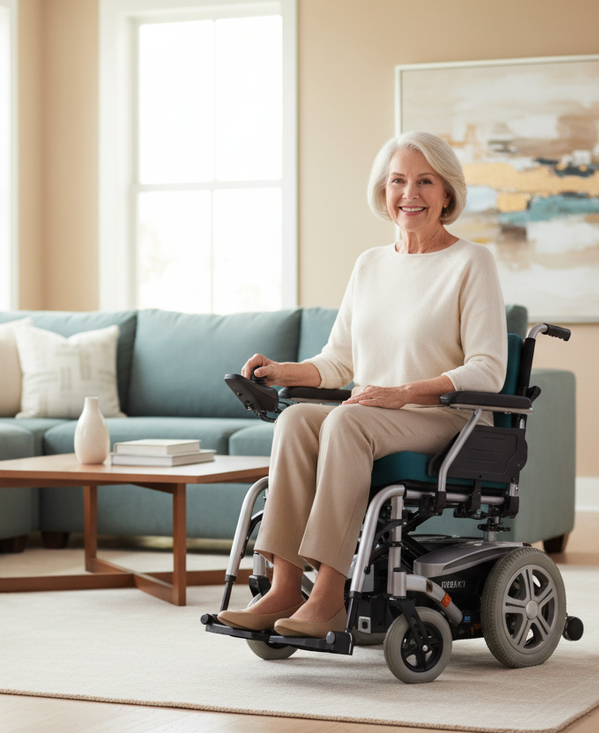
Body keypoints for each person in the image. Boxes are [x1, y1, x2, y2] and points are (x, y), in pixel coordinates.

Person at [217, 131, 507, 639]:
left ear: (446, 193)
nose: (409, 194)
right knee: (298, 418)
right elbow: (338, 362)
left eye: (424, 181)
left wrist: (404, 392)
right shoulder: (370, 264)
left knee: (347, 419)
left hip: (442, 419)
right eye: (398, 181)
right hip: (373, 413)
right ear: (384, 190)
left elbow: (488, 370)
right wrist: (283, 372)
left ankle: (329, 597)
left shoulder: (470, 262)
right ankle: (285, 587)